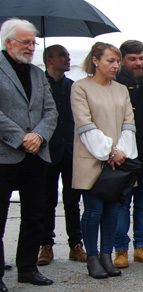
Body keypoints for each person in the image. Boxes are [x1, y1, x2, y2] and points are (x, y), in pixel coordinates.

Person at [0, 19, 58, 292]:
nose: (31, 47)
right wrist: (20, 137)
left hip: (36, 154)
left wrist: (38, 136)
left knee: (35, 213)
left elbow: (51, 111)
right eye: (26, 42)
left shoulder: (37, 73)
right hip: (5, 154)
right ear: (9, 42)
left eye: (33, 43)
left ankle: (27, 267)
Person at [71, 42, 138, 279]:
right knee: (93, 210)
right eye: (111, 60)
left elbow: (129, 123)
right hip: (92, 159)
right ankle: (92, 257)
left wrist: (120, 152)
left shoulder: (121, 89)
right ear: (96, 60)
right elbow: (84, 123)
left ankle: (107, 255)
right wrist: (109, 151)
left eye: (118, 61)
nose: (116, 65)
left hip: (118, 161)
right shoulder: (80, 88)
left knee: (113, 210)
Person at [38, 44, 87, 266]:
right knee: (46, 200)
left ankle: (75, 244)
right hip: (47, 151)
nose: (68, 59)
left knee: (72, 200)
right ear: (50, 59)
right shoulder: (39, 85)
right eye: (63, 56)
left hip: (70, 151)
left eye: (68, 55)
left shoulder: (72, 87)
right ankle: (45, 245)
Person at [112, 40, 143, 268]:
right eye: (133, 58)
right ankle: (120, 249)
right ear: (122, 60)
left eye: (141, 57)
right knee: (122, 204)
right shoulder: (113, 83)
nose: (138, 62)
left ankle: (141, 246)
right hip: (123, 157)